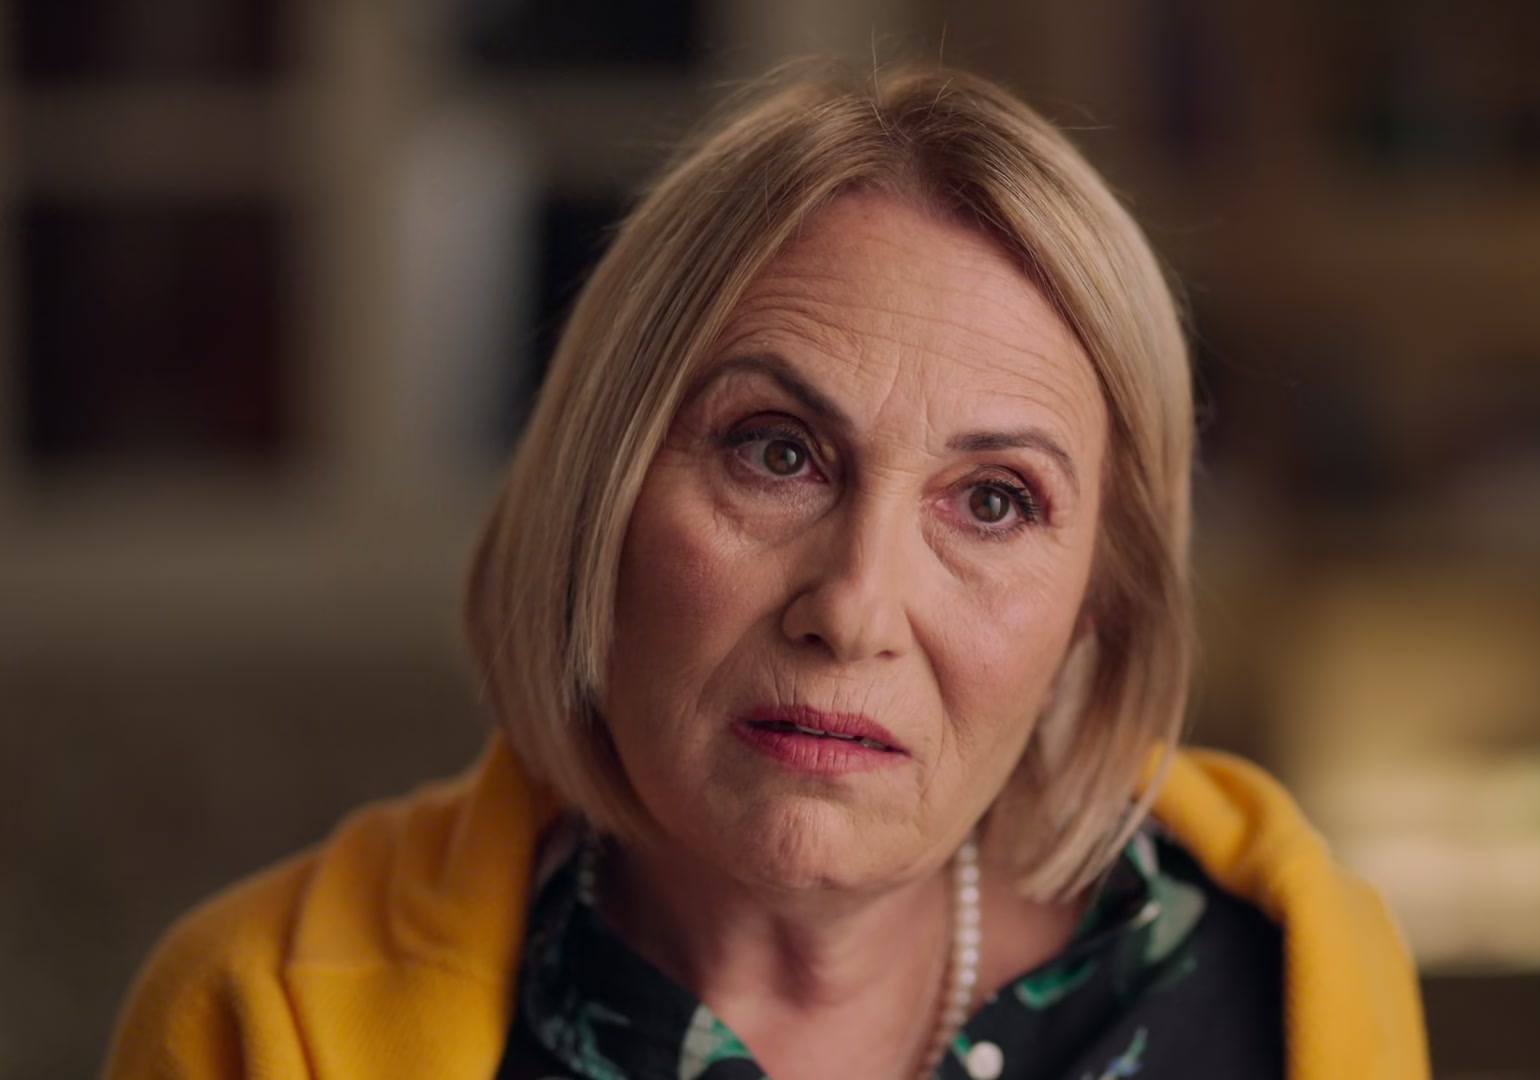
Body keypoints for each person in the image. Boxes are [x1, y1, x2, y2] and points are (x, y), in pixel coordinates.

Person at [105, 66, 1428, 1080]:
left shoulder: (1291, 990)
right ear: (601, 492)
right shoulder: (260, 1015)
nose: (854, 609)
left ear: (1098, 602)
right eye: (777, 452)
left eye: (993, 501)